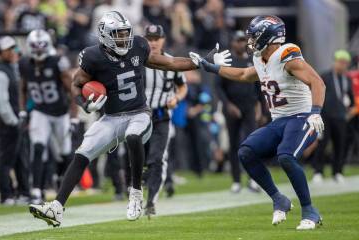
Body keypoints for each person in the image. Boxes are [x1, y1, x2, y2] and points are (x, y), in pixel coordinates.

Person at [29, 11, 231, 227]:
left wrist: (202, 62)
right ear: (105, 35)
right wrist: (85, 104)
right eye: (118, 34)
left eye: (126, 33)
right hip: (111, 117)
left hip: (139, 113)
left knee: (133, 136)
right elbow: (76, 85)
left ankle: (135, 192)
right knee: (81, 154)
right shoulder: (92, 56)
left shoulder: (138, 46)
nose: (124, 38)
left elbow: (169, 63)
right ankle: (57, 208)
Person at [190, 15, 325, 230]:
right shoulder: (260, 58)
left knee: (286, 156)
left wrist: (315, 111)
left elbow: (317, 82)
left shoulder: (287, 55)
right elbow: (244, 74)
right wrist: (211, 68)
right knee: (246, 152)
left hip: (302, 117)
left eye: (253, 36)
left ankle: (310, 210)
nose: (249, 41)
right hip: (279, 120)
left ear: (268, 36)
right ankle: (278, 198)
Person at [19, 29, 76, 204]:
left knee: (64, 152)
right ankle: (37, 189)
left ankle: (61, 181)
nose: (37, 50)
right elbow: (23, 88)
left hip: (60, 112)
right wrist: (23, 110)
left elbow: (71, 89)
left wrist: (74, 115)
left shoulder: (57, 61)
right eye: (34, 47)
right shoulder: (24, 63)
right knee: (38, 147)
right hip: (40, 111)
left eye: (40, 46)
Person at [142, 24, 188, 217]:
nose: (153, 42)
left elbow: (183, 87)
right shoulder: (138, 61)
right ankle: (135, 192)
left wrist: (176, 98)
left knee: (157, 158)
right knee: (138, 160)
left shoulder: (171, 62)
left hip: (161, 115)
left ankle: (151, 200)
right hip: (138, 116)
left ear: (163, 40)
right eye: (149, 39)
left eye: (156, 38)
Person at [216, 30, 260, 193]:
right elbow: (218, 86)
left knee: (252, 144)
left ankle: (253, 179)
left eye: (243, 40)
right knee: (234, 144)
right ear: (233, 43)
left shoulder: (251, 60)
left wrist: (260, 107)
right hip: (232, 107)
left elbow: (258, 86)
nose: (242, 43)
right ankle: (236, 180)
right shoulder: (227, 60)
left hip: (249, 106)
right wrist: (228, 105)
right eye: (238, 40)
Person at [312, 50, 355, 184]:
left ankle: (338, 171)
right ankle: (318, 171)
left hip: (341, 117)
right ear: (335, 62)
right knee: (322, 144)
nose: (342, 65)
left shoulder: (347, 79)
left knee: (340, 145)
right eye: (340, 62)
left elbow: (351, 99)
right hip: (325, 115)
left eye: (345, 63)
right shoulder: (325, 76)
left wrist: (348, 111)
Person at [0, 36, 20, 205]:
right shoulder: (2, 71)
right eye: (8, 49)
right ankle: (6, 195)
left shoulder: (10, 68)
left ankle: (14, 192)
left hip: (10, 122)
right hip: (6, 124)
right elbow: (2, 102)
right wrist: (13, 121)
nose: (12, 52)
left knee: (13, 158)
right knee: (5, 160)